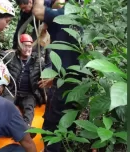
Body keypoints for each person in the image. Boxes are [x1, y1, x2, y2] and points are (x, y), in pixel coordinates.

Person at [32, 0, 84, 151]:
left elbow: (38, 11)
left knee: (51, 128)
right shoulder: (86, 18)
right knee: (68, 126)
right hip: (79, 84)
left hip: (63, 84)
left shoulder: (63, 15)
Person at [1, 34, 47, 128]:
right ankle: (3, 126)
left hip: (29, 94)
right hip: (12, 91)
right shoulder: (11, 57)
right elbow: (0, 57)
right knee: (6, 105)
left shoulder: (38, 61)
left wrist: (45, 96)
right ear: (19, 46)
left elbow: (47, 71)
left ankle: (26, 127)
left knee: (29, 107)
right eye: (24, 46)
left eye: (29, 46)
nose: (27, 49)